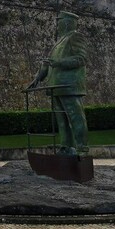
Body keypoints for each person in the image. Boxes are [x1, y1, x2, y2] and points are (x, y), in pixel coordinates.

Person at [26, 11, 89, 155]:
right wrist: (38, 78)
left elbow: (81, 59)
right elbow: (48, 63)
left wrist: (59, 62)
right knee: (61, 120)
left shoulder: (75, 37)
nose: (57, 24)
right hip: (56, 87)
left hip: (69, 86)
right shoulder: (59, 41)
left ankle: (82, 148)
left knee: (76, 118)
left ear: (66, 22)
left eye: (59, 21)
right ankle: (65, 146)